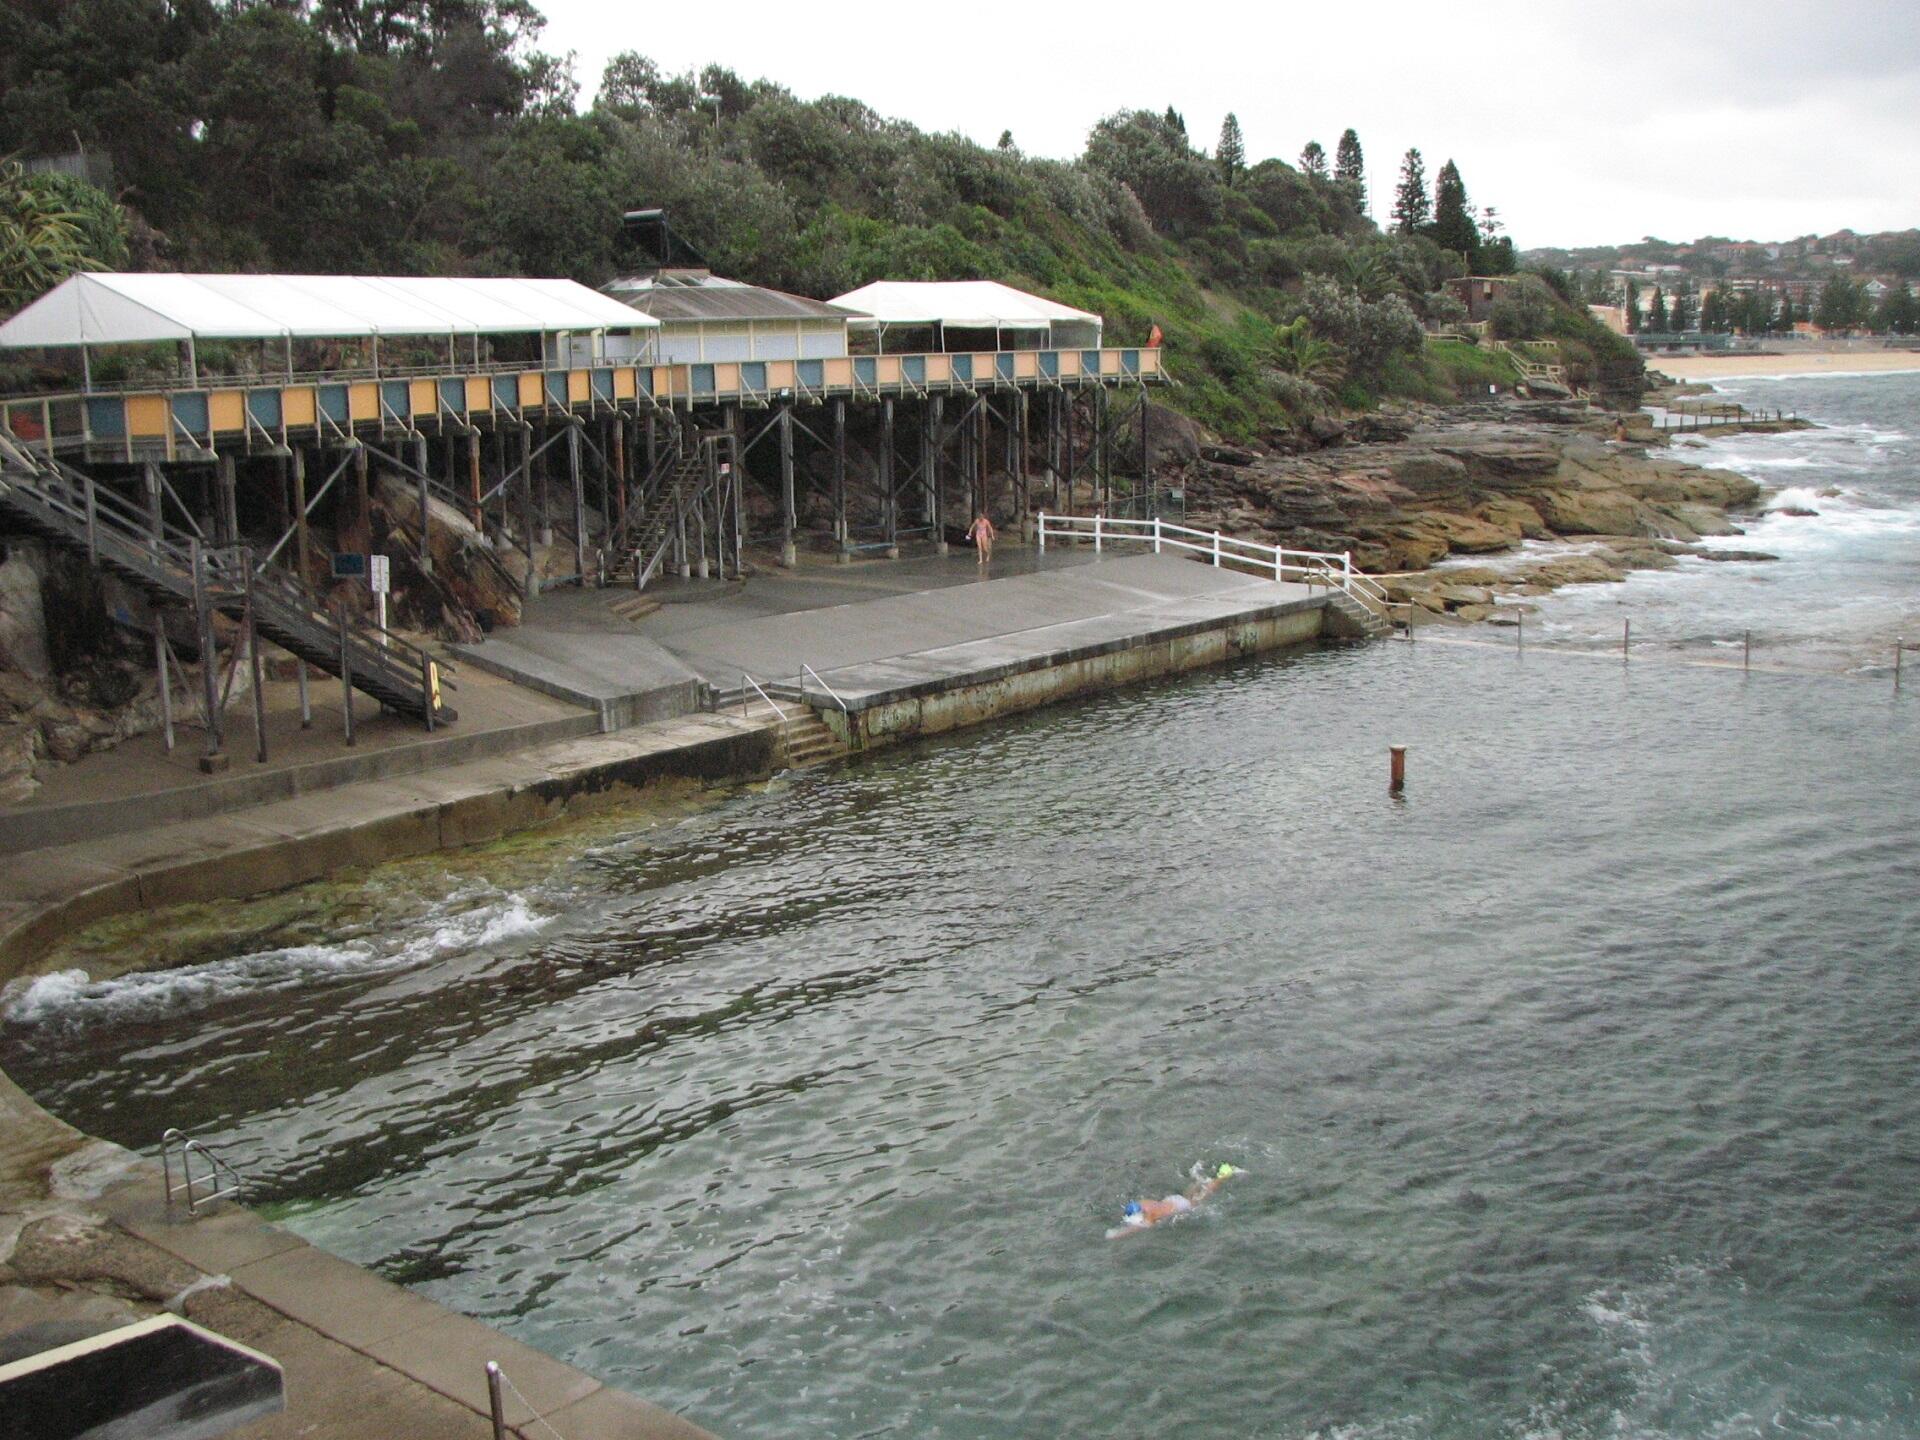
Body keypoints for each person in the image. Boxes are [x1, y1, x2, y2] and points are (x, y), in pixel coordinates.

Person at [1110, 1163, 1238, 1238]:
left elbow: (1137, 1228)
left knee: (1202, 1197)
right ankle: (1200, 1180)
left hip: (1179, 1207)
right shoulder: (1143, 1203)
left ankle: (1222, 1176)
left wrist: (1117, 1234)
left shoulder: (1148, 1217)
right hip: (1172, 1199)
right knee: (1189, 1195)